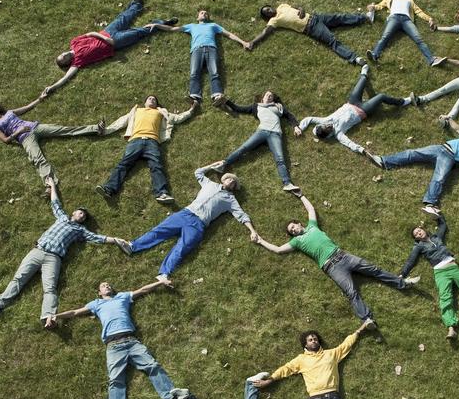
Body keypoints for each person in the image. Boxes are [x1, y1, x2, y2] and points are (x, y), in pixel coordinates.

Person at [46, 278, 191, 399]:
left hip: (132, 341)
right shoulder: (96, 304)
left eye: (108, 284)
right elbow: (75, 312)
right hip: (113, 346)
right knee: (115, 380)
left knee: (152, 366)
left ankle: (172, 397)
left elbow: (142, 290)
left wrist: (161, 282)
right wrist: (56, 316)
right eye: (103, 285)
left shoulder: (122, 297)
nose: (107, 285)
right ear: (99, 293)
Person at [0, 178, 130, 325]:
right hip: (37, 251)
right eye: (80, 213)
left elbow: (98, 238)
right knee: (19, 278)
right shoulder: (61, 217)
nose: (82, 215)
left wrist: (116, 239)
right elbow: (55, 202)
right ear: (73, 213)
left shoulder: (80, 231)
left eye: (84, 216)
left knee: (50, 288)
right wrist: (52, 185)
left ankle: (48, 317)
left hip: (54, 258)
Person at [253, 194, 419, 322]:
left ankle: (403, 284)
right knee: (351, 292)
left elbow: (310, 210)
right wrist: (260, 240)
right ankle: (367, 319)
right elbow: (278, 249)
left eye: (293, 226)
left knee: (375, 270)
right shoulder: (296, 242)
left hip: (344, 256)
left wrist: (301, 195)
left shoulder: (312, 226)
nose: (293, 230)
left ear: (298, 223)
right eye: (291, 231)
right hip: (332, 267)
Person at [123, 166, 259, 281]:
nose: (231, 181)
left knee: (183, 247)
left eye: (234, 182)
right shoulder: (209, 183)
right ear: (223, 179)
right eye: (229, 178)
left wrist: (252, 231)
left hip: (199, 224)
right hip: (185, 213)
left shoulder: (230, 200)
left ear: (234, 187)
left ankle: (164, 273)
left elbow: (241, 215)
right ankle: (133, 246)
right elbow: (198, 172)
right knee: (159, 231)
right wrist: (212, 166)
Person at [364, 117, 459, 215]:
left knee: (439, 178)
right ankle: (384, 161)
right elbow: (458, 129)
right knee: (412, 153)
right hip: (440, 148)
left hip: (450, 158)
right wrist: (449, 118)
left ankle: (430, 204)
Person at [42, 0, 177, 97]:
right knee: (138, 33)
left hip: (107, 33)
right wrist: (53, 87)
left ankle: (137, 4)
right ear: (67, 63)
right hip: (115, 43)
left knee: (123, 18)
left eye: (62, 54)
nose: (64, 54)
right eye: (64, 58)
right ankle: (161, 24)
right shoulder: (78, 62)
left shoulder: (74, 43)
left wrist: (105, 38)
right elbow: (66, 78)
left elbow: (90, 33)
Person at [0, 97, 107, 188]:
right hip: (25, 138)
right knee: (38, 159)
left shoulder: (10, 112)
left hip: (35, 127)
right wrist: (18, 132)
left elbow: (26, 108)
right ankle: (50, 184)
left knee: (63, 130)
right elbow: (6, 140)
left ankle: (96, 129)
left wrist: (39, 99)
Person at [95, 95, 197, 203]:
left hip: (152, 142)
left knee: (156, 165)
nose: (152, 100)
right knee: (123, 164)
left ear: (157, 104)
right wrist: (105, 130)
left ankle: (162, 193)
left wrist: (192, 109)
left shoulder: (161, 112)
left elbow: (178, 118)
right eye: (150, 98)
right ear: (145, 102)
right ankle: (108, 189)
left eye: (154, 99)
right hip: (135, 141)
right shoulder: (136, 111)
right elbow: (121, 122)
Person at [299, 65, 411, 155]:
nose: (329, 125)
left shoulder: (324, 120)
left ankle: (364, 73)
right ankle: (403, 102)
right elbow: (349, 143)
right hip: (362, 110)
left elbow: (309, 119)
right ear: (329, 134)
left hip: (352, 102)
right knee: (381, 97)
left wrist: (300, 127)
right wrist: (361, 149)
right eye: (328, 129)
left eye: (326, 125)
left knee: (362, 78)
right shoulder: (339, 133)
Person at [207, 90, 303, 192]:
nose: (269, 96)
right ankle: (224, 164)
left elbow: (289, 116)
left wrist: (296, 126)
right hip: (262, 131)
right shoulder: (256, 107)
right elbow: (238, 109)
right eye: (267, 95)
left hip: (275, 134)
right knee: (244, 148)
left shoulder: (278, 107)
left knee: (280, 158)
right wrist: (226, 101)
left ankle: (287, 183)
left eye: (271, 96)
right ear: (263, 98)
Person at [151, 9, 251, 104]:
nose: (204, 14)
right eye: (202, 13)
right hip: (196, 50)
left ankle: (217, 96)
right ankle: (194, 96)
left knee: (214, 72)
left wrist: (243, 42)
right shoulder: (191, 26)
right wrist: (157, 25)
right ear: (197, 17)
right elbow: (173, 29)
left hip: (211, 49)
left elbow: (228, 34)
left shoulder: (213, 25)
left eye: (206, 13)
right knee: (194, 73)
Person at [250, 3, 373, 65]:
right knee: (332, 41)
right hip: (311, 28)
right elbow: (265, 32)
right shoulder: (274, 21)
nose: (269, 11)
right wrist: (252, 42)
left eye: (268, 9)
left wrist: (301, 9)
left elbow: (296, 6)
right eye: (266, 13)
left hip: (315, 17)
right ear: (267, 17)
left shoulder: (282, 6)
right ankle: (355, 58)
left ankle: (365, 17)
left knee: (339, 17)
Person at [365, 0, 445, 66]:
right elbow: (381, 5)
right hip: (394, 18)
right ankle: (374, 55)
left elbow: (418, 11)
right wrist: (373, 7)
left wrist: (429, 19)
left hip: (407, 20)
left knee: (419, 39)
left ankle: (431, 60)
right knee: (385, 37)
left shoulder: (409, 1)